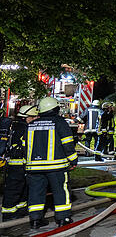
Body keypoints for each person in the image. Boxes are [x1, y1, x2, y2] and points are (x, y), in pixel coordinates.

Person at [26, 97, 77, 228]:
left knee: (35, 192)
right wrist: (73, 160)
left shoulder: (31, 125)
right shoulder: (60, 123)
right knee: (61, 191)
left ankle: (35, 220)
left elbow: (25, 146)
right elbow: (67, 144)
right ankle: (63, 219)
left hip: (34, 167)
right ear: (55, 109)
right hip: (56, 167)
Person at [1, 105, 37, 221]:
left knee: (22, 188)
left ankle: (20, 209)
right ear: (27, 117)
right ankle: (8, 213)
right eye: (34, 117)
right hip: (17, 163)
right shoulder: (23, 128)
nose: (36, 119)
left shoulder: (15, 125)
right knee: (14, 189)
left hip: (17, 163)